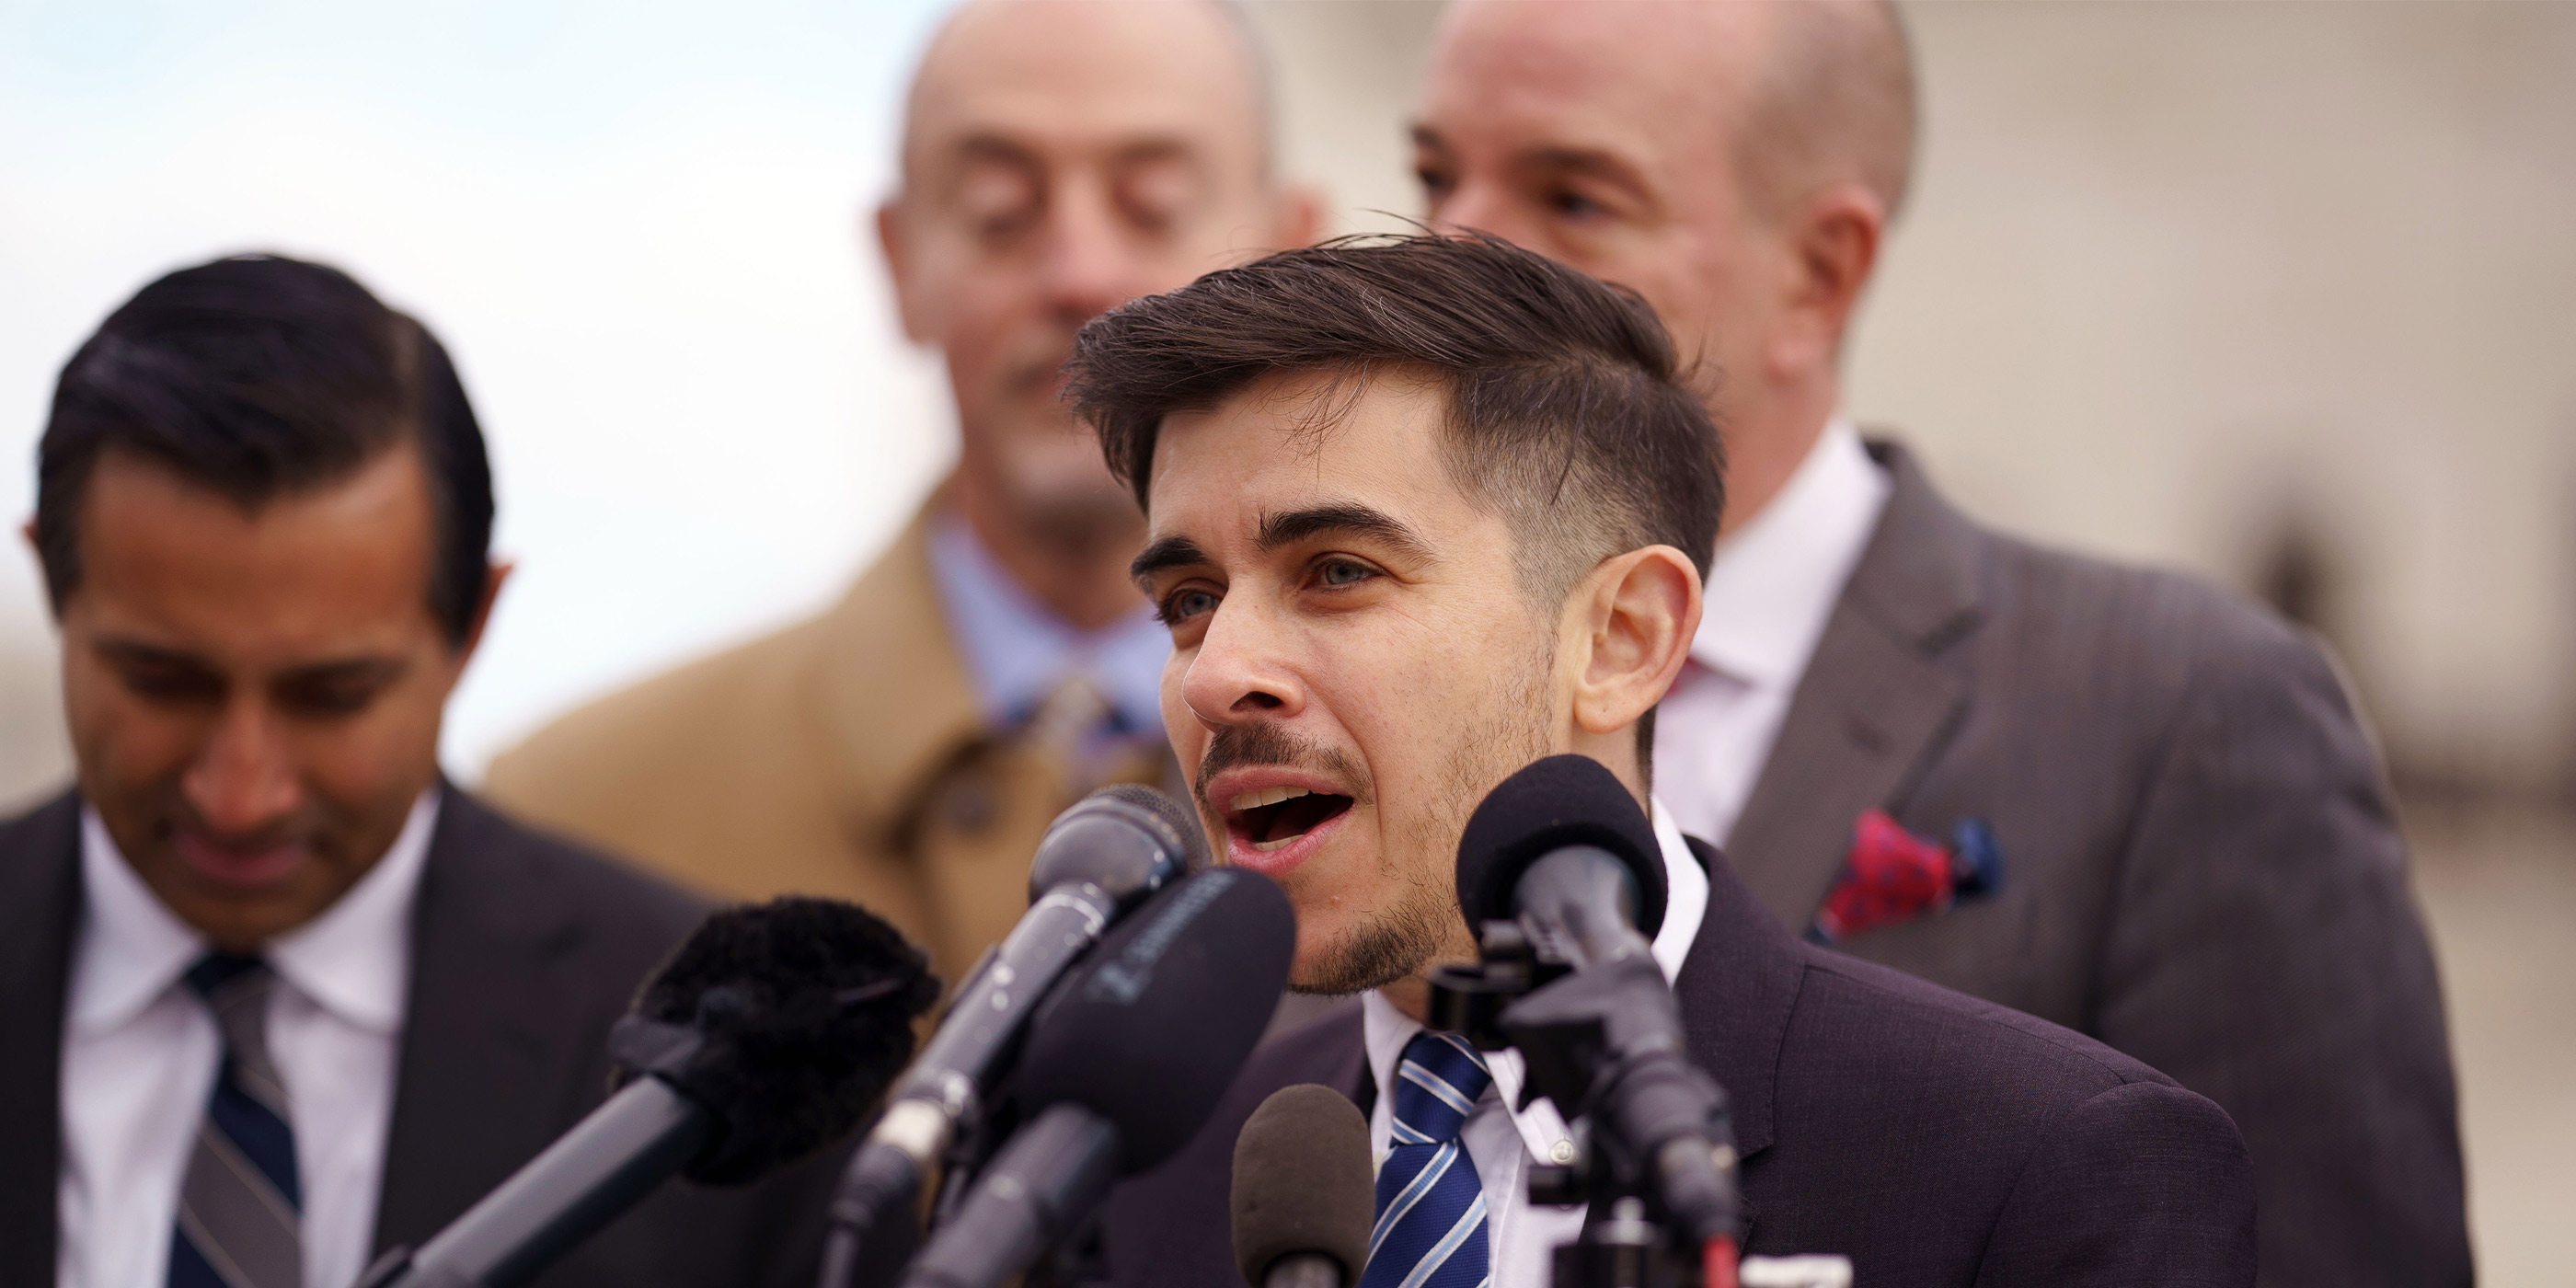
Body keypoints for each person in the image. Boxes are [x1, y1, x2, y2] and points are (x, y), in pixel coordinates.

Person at [1408, 4, 2467, 1283]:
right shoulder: (1343, 690)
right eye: (1431, 177)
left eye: (1574, 197)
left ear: (1819, 274)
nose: (1452, 253)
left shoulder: (2184, 712)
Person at [1073, 235, 2254, 1287]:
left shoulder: (2046, 1166)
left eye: (1336, 570)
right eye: (1188, 598)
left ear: (1623, 638)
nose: (1216, 672)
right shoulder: (1148, 1185)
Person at [0, 256, 845, 1288]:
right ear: (52, 582)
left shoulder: (737, 1070)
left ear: (472, 625)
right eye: (162, 679)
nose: (241, 789)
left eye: (331, 695)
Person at [482, 0, 1320, 986]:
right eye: (1000, 210)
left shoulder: (1450, 801)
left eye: (1152, 203)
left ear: (1288, 253)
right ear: (898, 258)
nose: (1079, 272)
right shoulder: (574, 819)